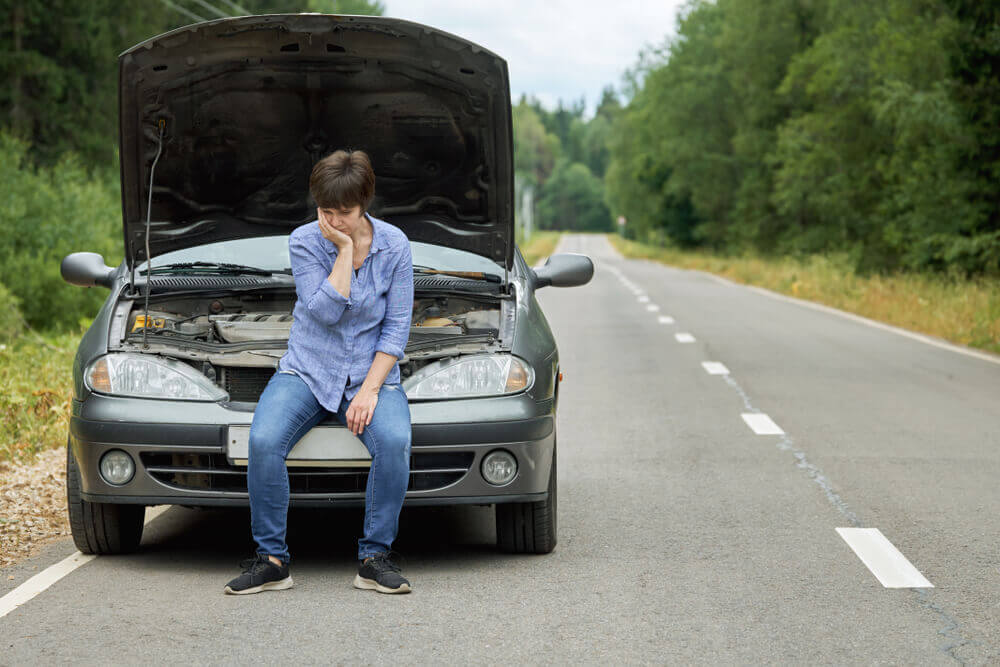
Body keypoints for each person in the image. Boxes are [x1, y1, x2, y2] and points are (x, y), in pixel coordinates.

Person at [224, 149, 414, 595]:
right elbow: (325, 311)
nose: (335, 219)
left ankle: (374, 558)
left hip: (371, 374)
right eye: (326, 211)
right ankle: (271, 561)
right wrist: (345, 250)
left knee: (395, 441)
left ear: (364, 203)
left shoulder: (396, 246)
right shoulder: (305, 241)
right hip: (307, 370)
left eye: (344, 212)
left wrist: (370, 391)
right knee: (264, 439)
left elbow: (397, 327)